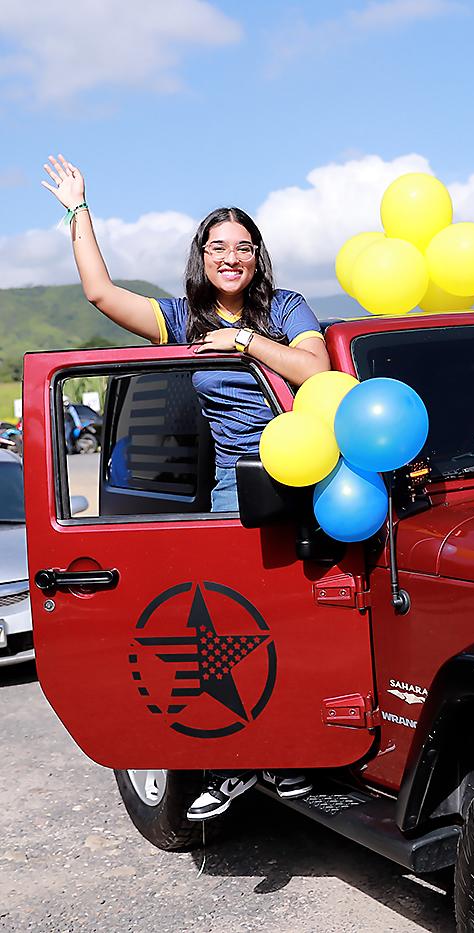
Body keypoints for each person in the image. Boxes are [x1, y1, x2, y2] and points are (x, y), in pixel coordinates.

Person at [42, 154, 322, 818]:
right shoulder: (180, 316)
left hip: (312, 469)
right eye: (219, 246)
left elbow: (312, 370)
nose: (232, 257)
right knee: (242, 621)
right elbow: (100, 295)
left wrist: (246, 341)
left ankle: (302, 746)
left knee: (310, 617)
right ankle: (244, 762)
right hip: (236, 482)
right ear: (202, 255)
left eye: (244, 247)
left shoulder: (284, 307)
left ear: (258, 257)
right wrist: (79, 209)